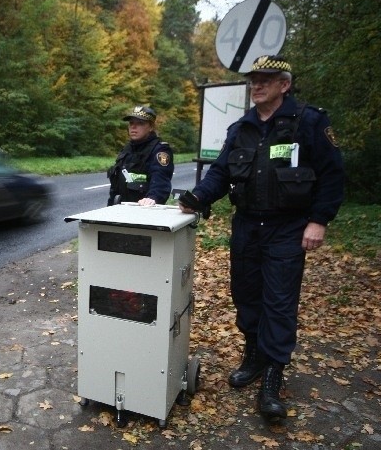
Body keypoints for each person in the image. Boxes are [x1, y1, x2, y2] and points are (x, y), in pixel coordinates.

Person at [179, 55, 345, 421]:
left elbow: (332, 174)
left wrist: (319, 220)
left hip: (288, 228)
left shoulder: (309, 122)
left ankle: (273, 374)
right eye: (254, 79)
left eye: (266, 80)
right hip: (247, 226)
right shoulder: (241, 128)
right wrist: (197, 198)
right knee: (246, 295)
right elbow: (220, 173)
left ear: (284, 85)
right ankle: (253, 355)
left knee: (280, 302)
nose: (257, 85)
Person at [107, 106, 174, 206]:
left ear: (151, 127)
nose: (133, 127)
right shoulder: (126, 149)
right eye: (131, 123)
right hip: (120, 210)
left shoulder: (159, 150)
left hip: (144, 210)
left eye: (140, 123)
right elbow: (115, 187)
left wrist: (152, 198)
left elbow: (161, 181)